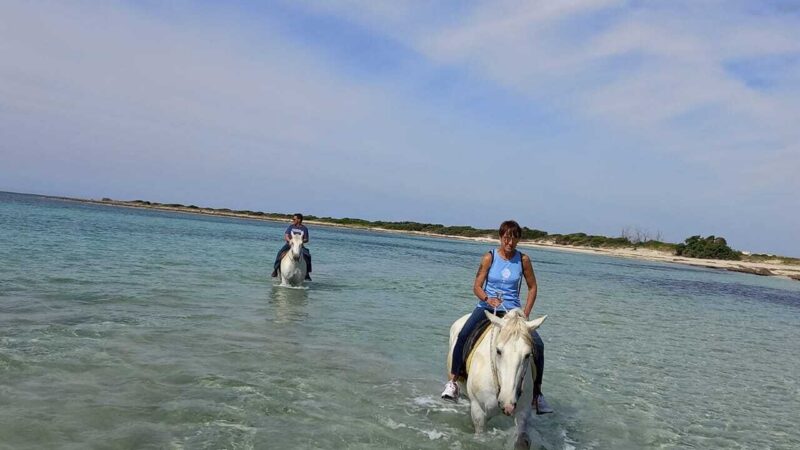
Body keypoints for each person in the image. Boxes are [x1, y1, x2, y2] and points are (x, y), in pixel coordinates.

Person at [441, 220, 552, 414]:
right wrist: (487, 298)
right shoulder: (489, 257)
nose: (510, 242)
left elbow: (533, 287)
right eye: (506, 237)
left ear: (518, 239)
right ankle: (454, 382)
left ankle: (537, 394)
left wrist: (525, 312)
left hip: (513, 313)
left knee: (538, 345)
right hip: (487, 307)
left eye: (514, 238)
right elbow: (476, 286)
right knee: (464, 334)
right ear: (500, 237)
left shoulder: (523, 260)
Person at [271, 213, 312, 281]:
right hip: (290, 244)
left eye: (294, 219)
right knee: (280, 253)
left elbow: (307, 239)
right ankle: (275, 270)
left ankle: (307, 273)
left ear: (299, 219)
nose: (293, 220)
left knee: (307, 255)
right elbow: (286, 235)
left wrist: (300, 241)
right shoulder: (291, 227)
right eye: (293, 219)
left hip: (299, 245)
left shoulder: (304, 228)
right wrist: (290, 241)